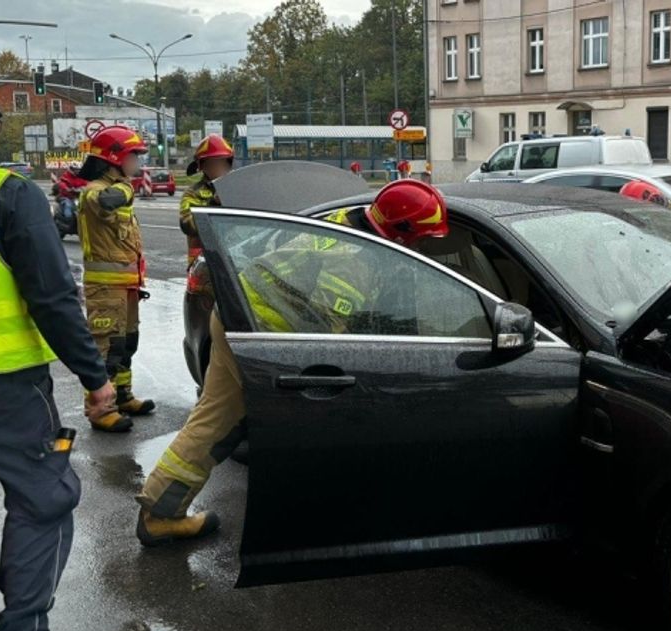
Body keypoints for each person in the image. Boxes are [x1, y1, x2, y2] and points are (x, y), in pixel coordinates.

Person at [134, 179, 449, 545]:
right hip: (262, 330)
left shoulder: (348, 220)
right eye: (421, 238)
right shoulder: (352, 261)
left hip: (238, 315)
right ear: (402, 230)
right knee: (229, 425)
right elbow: (329, 334)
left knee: (214, 419)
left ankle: (159, 510)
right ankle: (165, 516)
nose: (421, 247)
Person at [0, 75, 116, 631]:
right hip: (6, 388)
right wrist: (95, 376)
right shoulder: (5, 192)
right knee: (43, 501)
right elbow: (54, 298)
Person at [76, 125, 155, 433]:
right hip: (105, 289)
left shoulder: (118, 188)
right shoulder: (94, 191)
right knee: (106, 349)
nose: (137, 163)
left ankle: (122, 396)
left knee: (126, 345)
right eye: (133, 156)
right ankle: (99, 410)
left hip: (126, 286)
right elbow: (107, 201)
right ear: (114, 158)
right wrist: (128, 187)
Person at [180, 134, 233, 268]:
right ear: (203, 166)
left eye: (222, 162)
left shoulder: (236, 188)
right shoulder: (192, 193)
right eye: (213, 163)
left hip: (234, 259)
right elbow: (187, 225)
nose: (219, 167)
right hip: (203, 264)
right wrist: (213, 205)